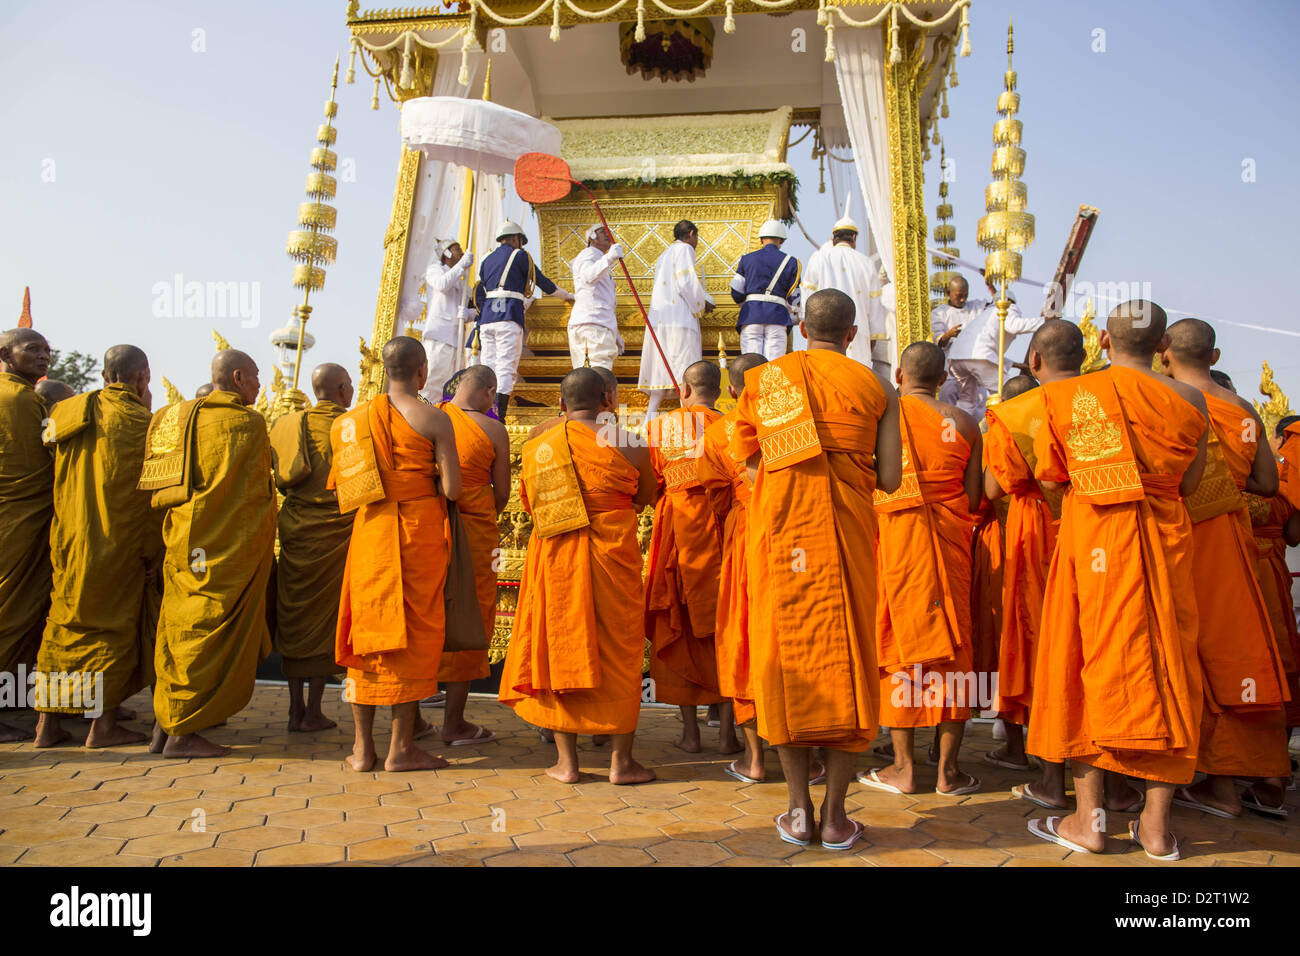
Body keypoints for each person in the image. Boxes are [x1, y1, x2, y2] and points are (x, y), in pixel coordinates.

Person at [1026, 300, 1209, 862]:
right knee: (1165, 668)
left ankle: (1089, 821)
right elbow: (1193, 484)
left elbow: (1052, 479)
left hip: (1093, 537)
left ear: (1102, 341)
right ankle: (1155, 830)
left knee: (1086, 663)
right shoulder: (1190, 398)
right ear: (1162, 349)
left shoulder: (1065, 397)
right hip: (1165, 545)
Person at [730, 288, 901, 850]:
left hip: (781, 536)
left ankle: (797, 811)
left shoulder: (766, 380)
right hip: (848, 538)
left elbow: (751, 462)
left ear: (801, 329)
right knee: (847, 660)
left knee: (784, 660)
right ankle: (835, 818)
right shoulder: (878, 388)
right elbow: (893, 480)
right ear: (852, 334)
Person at [499, 367, 658, 784]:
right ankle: (621, 763)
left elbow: (530, 504)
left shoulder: (540, 442)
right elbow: (646, 496)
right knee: (620, 651)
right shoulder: (630, 441)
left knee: (559, 643)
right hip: (614, 560)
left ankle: (567, 764)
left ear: (560, 403)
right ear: (608, 400)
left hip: (556, 557)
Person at [1159, 318, 1288, 818]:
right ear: (1214, 357)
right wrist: (1226, 484)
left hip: (1175, 535)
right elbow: (1269, 485)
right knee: (1229, 647)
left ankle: (1156, 779)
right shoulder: (1242, 408)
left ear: (1164, 352)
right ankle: (1224, 781)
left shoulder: (1162, 400)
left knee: (1177, 646)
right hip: (1230, 543)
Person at [331, 337, 461, 771]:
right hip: (418, 533)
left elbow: (346, 489)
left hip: (370, 533)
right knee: (412, 633)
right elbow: (453, 489)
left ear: (385, 370)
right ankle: (401, 748)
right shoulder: (434, 419)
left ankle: (363, 749)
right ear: (422, 371)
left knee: (367, 632)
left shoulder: (351, 421)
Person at [140, 349, 277, 758]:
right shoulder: (246, 422)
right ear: (237, 378)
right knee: (205, 631)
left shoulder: (176, 418)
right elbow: (254, 495)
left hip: (184, 540)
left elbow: (160, 488)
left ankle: (164, 728)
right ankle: (182, 735)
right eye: (255, 377)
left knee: (178, 629)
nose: (258, 384)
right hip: (222, 549)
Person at [864, 341, 982, 797]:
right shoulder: (966, 424)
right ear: (943, 378)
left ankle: (903, 767)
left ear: (898, 375)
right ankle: (949, 772)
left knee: (898, 644)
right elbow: (972, 501)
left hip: (895, 543)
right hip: (950, 546)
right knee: (953, 650)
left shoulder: (883, 419)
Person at [30, 346, 158, 748]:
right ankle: (101, 727)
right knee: (109, 630)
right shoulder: (144, 424)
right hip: (115, 544)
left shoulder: (68, 412)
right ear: (142, 378)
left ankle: (46, 726)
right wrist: (155, 551)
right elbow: (152, 498)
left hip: (70, 537)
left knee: (64, 623)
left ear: (104, 376)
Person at [983, 321, 1084, 811]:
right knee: (1093, 640)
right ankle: (1113, 783)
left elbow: (991, 490)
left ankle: (1047, 773)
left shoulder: (1017, 414)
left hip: (1034, 531)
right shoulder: (1104, 400)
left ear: (1035, 361)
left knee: (1040, 640)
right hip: (1098, 527)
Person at [644, 360, 735, 753]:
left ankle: (690, 734)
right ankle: (729, 733)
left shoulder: (661, 427)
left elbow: (650, 489)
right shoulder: (733, 426)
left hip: (677, 531)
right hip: (724, 534)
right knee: (729, 623)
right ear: (722, 391)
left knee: (677, 622)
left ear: (683, 389)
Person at [268, 362, 355, 733]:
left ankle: (295, 708)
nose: (352, 392)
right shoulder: (350, 427)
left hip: (297, 531)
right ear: (339, 389)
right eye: (349, 385)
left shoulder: (288, 424)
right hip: (336, 533)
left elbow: (280, 479)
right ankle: (314, 710)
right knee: (324, 622)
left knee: (296, 617)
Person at [699, 352, 769, 781]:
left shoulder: (719, 433)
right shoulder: (793, 421)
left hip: (746, 539)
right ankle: (810, 753)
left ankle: (756, 759)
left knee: (744, 636)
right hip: (798, 534)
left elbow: (716, 499)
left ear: (730, 390)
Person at [437, 363, 510, 745]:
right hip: (479, 534)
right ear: (489, 392)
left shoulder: (432, 418)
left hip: (431, 531)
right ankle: (454, 722)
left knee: (427, 611)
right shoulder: (493, 428)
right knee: (471, 614)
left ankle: (412, 718)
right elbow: (502, 494)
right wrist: (477, 508)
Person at [1241, 415, 1300, 815]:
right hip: (1273, 571)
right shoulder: (1282, 476)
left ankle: (1257, 775)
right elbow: (1294, 534)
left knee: (1243, 665)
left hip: (1236, 567)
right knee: (1278, 664)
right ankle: (1274, 772)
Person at [0, 328, 54, 741]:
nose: (42, 357)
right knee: (11, 612)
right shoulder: (18, 399)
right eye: (31, 349)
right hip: (19, 517)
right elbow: (45, 462)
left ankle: (11, 696)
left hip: (18, 515)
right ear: (6, 353)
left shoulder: (24, 396)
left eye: (46, 351)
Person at [474, 221, 574, 420]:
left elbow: (479, 289)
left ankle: (483, 411)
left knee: (487, 365)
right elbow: (542, 282)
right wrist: (567, 296)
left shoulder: (486, 259)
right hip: (508, 315)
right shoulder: (519, 255)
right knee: (506, 367)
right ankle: (499, 415)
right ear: (514, 238)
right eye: (520, 241)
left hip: (487, 319)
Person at [640, 220, 715, 419]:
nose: (696, 242)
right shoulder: (685, 250)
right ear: (691, 234)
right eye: (696, 237)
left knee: (661, 367)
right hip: (680, 320)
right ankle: (687, 417)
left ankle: (649, 418)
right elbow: (685, 283)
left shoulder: (664, 255)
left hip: (661, 321)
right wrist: (701, 305)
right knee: (686, 370)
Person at [801, 208, 890, 376]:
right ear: (854, 237)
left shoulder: (819, 258)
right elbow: (876, 313)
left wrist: (809, 331)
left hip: (821, 336)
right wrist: (868, 344)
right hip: (857, 335)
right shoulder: (866, 263)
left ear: (833, 238)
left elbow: (807, 298)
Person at [947, 290, 1043, 417]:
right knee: (1008, 392)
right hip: (979, 357)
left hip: (956, 359)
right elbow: (1014, 326)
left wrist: (1017, 365)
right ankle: (1011, 429)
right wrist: (1044, 321)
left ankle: (957, 431)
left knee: (967, 400)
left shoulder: (985, 314)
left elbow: (984, 349)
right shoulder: (1006, 307)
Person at [413, 239, 474, 402]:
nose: (461, 253)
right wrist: (462, 266)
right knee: (431, 383)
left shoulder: (461, 282)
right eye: (457, 249)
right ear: (446, 254)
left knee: (451, 387)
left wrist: (470, 314)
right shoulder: (435, 270)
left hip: (456, 340)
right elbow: (442, 285)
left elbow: (474, 305)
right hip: (439, 337)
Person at [730, 219, 799, 361]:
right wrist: (796, 316)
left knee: (751, 365)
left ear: (761, 239)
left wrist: (750, 304)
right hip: (778, 319)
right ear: (781, 241)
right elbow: (795, 297)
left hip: (750, 317)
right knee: (773, 367)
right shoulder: (791, 262)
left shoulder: (746, 259)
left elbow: (736, 292)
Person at [568, 224, 625, 370]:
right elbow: (588, 276)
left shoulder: (598, 258)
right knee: (597, 374)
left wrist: (615, 332)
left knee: (589, 374)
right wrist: (610, 258)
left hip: (597, 323)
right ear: (592, 237)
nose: (608, 235)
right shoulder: (589, 254)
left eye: (608, 232)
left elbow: (606, 300)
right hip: (593, 324)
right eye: (602, 232)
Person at [929, 275, 991, 405]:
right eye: (959, 295)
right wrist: (949, 334)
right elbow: (937, 341)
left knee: (976, 410)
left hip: (973, 371)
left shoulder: (975, 307)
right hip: (951, 372)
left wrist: (991, 285)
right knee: (948, 412)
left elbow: (999, 305)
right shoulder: (940, 313)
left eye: (965, 295)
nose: (963, 299)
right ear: (948, 293)